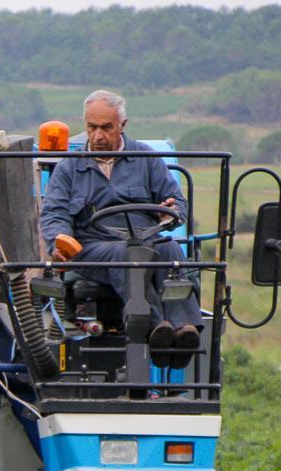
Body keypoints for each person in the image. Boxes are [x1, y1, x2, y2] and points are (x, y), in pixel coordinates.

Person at [39, 90, 199, 356]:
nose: (98, 136)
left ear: (122, 125)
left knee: (170, 250)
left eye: (106, 128)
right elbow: (55, 213)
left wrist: (169, 212)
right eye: (92, 127)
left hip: (145, 240)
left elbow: (177, 203)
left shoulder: (146, 159)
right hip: (92, 247)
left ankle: (184, 331)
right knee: (126, 255)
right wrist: (59, 241)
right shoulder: (69, 167)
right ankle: (154, 326)